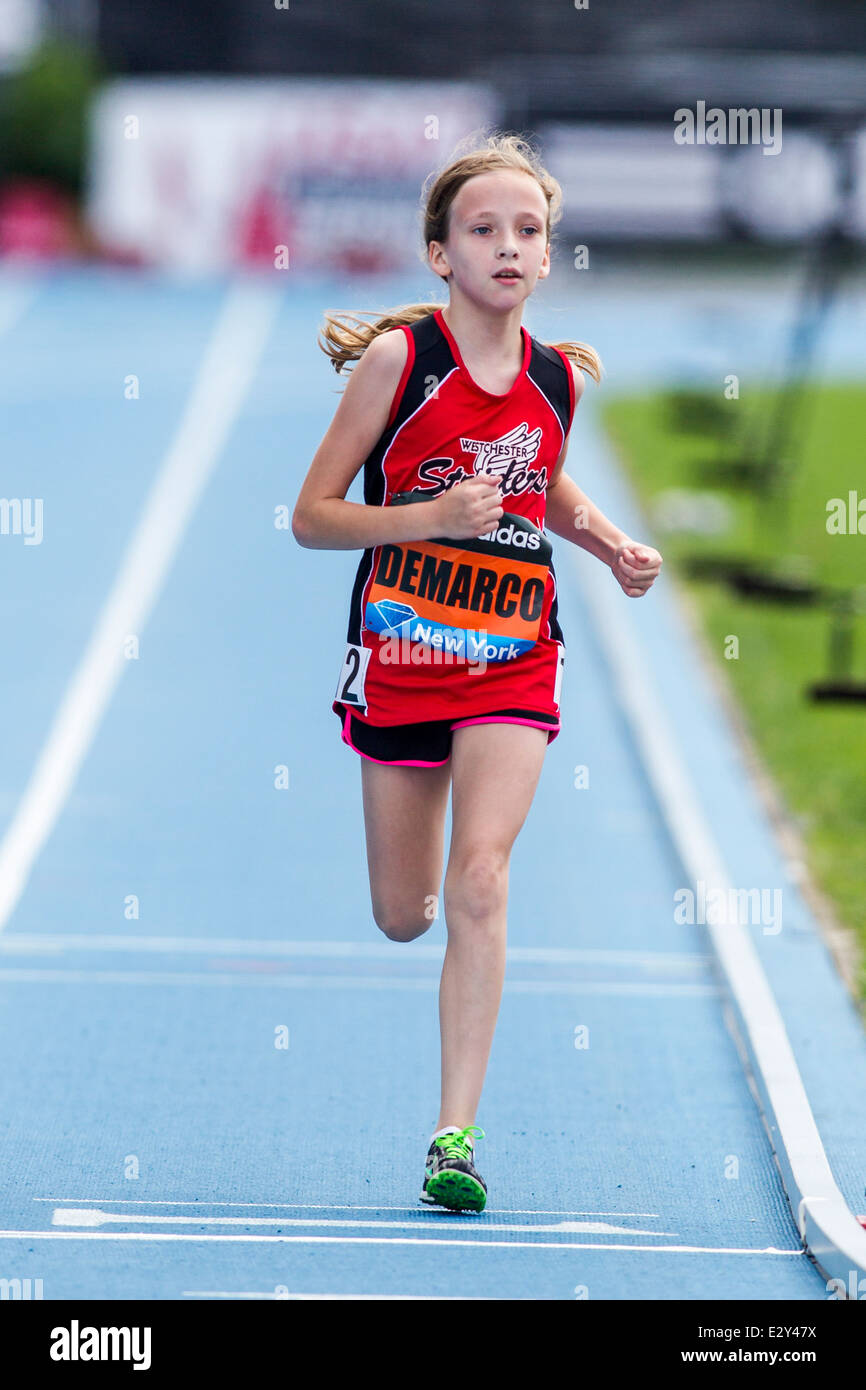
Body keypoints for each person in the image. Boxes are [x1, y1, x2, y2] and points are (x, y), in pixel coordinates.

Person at [292, 130, 663, 1213]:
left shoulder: (558, 377)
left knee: (482, 879)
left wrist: (610, 545)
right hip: (405, 649)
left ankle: (452, 1138)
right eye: (483, 229)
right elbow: (312, 516)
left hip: (512, 649)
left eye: (526, 231)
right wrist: (426, 516)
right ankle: (416, 924)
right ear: (439, 254)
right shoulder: (399, 365)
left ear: (547, 255)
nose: (507, 247)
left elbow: (542, 484)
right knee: (405, 911)